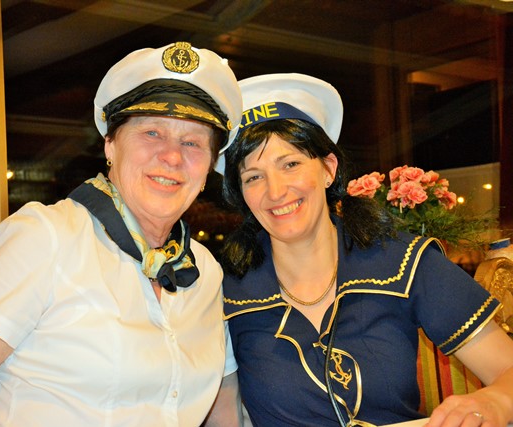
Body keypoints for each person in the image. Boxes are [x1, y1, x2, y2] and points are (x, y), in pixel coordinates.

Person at [0, 41, 243, 426]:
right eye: (152, 133)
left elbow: (224, 409)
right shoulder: (46, 239)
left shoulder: (205, 271)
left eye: (192, 142)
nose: (173, 156)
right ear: (110, 145)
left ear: (208, 167)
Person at [219, 73, 513, 427]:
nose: (275, 191)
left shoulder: (404, 262)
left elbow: (507, 370)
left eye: (291, 164)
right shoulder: (222, 294)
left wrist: (495, 400)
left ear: (328, 169)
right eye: (253, 177)